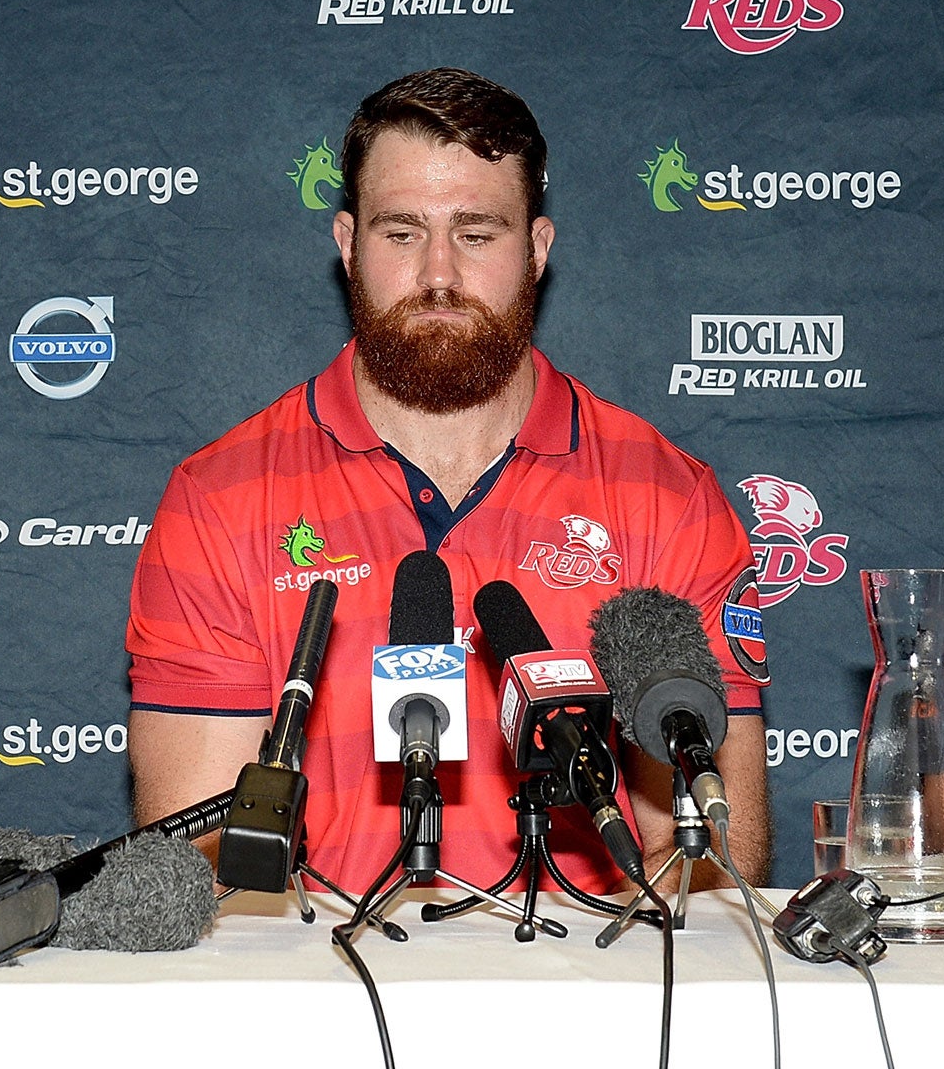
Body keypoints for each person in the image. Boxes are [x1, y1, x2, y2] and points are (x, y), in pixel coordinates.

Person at [125, 68, 770, 894]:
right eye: (401, 233)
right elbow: (202, 861)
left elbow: (710, 854)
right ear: (346, 243)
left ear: (536, 250)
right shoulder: (220, 499)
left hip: (587, 991)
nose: (437, 274)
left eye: (476, 233)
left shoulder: (667, 498)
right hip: (321, 993)